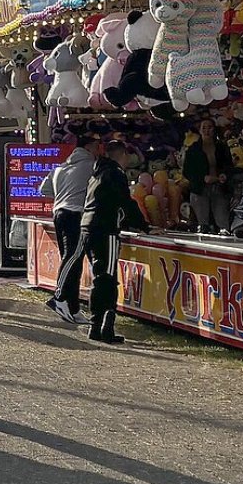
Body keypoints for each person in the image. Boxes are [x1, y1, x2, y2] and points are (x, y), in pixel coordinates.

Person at [57, 140, 150, 345]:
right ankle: (102, 325)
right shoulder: (115, 173)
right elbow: (126, 202)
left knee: (100, 276)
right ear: (122, 156)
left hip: (87, 226)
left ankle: (97, 324)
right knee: (106, 279)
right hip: (104, 229)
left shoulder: (96, 173)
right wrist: (145, 226)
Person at [42, 136, 102, 324]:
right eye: (96, 146)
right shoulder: (92, 165)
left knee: (72, 260)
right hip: (76, 214)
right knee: (73, 256)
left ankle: (73, 307)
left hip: (59, 213)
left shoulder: (61, 167)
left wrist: (62, 194)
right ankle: (59, 298)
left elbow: (44, 189)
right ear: (90, 147)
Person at [183, 118, 236, 233]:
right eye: (204, 128)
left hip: (219, 187)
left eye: (210, 127)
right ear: (200, 130)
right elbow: (187, 171)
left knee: (222, 221)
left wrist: (224, 175)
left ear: (214, 130)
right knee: (203, 223)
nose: (207, 131)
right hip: (200, 189)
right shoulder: (193, 149)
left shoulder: (221, 147)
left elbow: (229, 166)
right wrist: (202, 178)